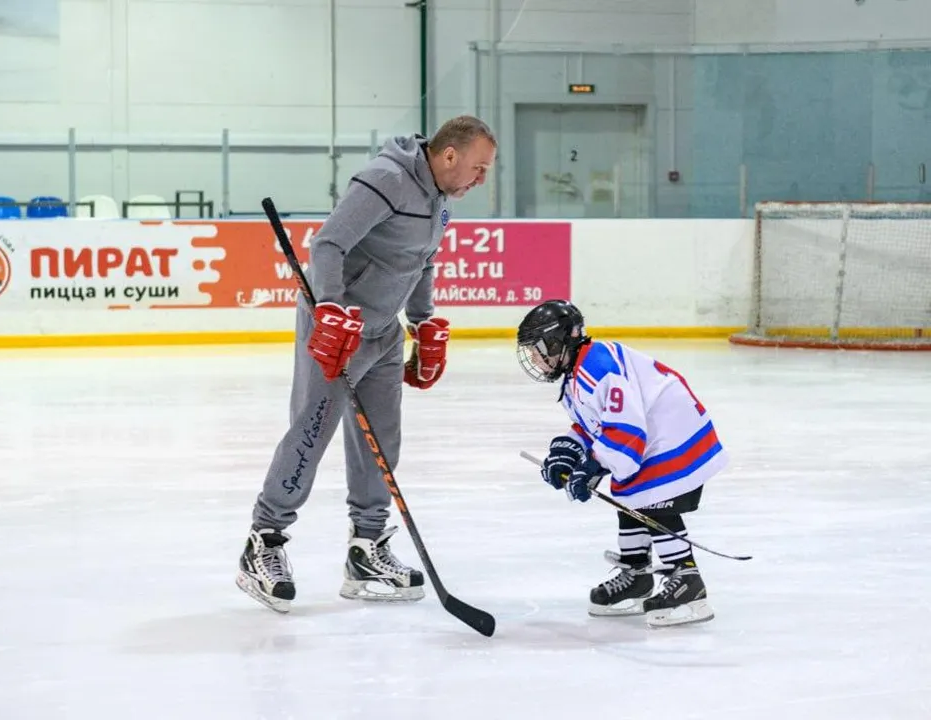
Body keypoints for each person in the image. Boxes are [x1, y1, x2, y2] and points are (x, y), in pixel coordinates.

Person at [237, 116, 498, 612]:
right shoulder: (388, 180)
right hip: (340, 329)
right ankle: (264, 542)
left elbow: (423, 261)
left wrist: (423, 322)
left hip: (382, 333)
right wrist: (331, 310)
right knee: (311, 433)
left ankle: (367, 548)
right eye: (478, 168)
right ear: (448, 157)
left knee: (381, 440)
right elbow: (328, 243)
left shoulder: (439, 201)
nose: (480, 179)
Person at [515, 299, 728, 627]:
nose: (534, 359)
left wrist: (591, 466)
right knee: (629, 493)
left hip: (675, 437)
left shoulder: (597, 368)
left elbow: (626, 429)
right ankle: (637, 574)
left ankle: (687, 581)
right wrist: (567, 454)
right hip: (656, 437)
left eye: (537, 350)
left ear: (557, 343)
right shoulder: (577, 374)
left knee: (656, 500)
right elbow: (595, 426)